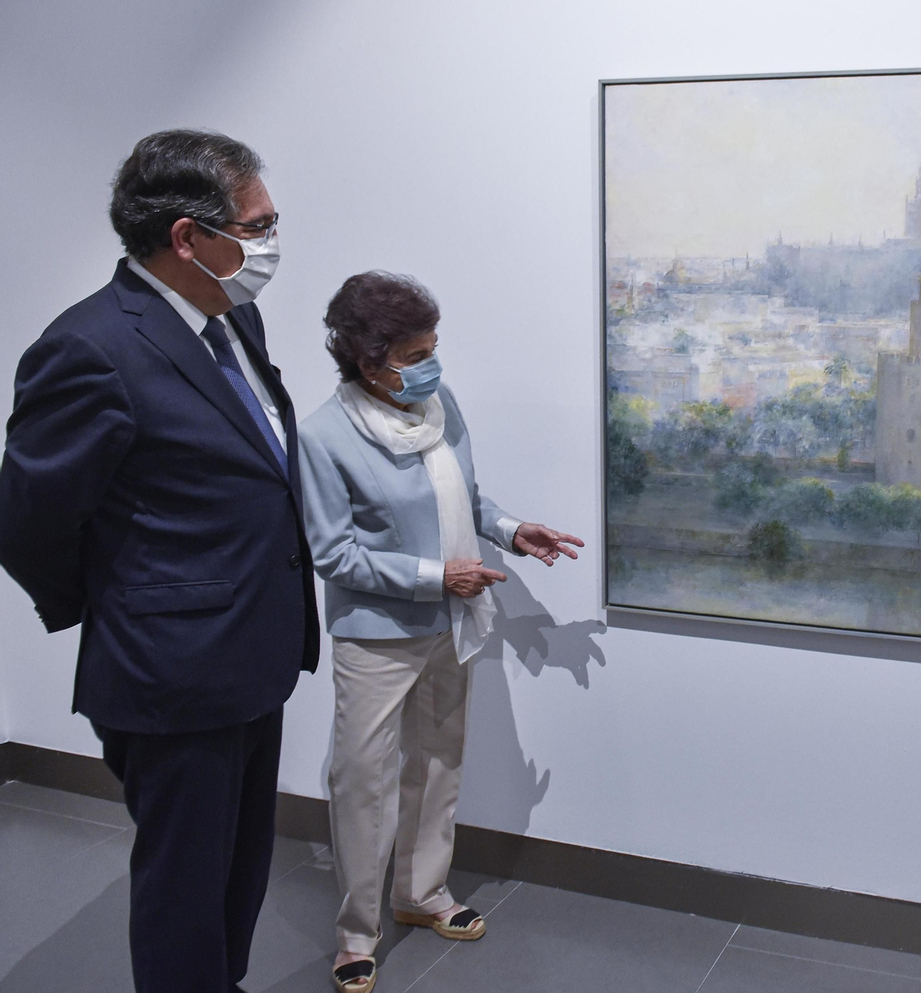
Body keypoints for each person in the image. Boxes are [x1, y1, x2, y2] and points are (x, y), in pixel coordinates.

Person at [0, 130, 319, 992]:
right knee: (182, 889)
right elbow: (29, 522)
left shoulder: (231, 317)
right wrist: (126, 609)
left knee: (238, 872)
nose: (269, 243)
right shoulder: (92, 348)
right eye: (258, 226)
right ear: (187, 236)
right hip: (171, 674)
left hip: (254, 653)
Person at [297, 271, 582, 993]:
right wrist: (435, 576)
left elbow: (463, 495)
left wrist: (515, 532)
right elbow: (333, 554)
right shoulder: (325, 436)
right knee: (363, 780)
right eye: (417, 350)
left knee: (438, 762)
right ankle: (356, 934)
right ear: (370, 358)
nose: (432, 363)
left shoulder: (438, 403)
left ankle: (421, 893)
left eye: (433, 346)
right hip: (379, 634)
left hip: (451, 620)